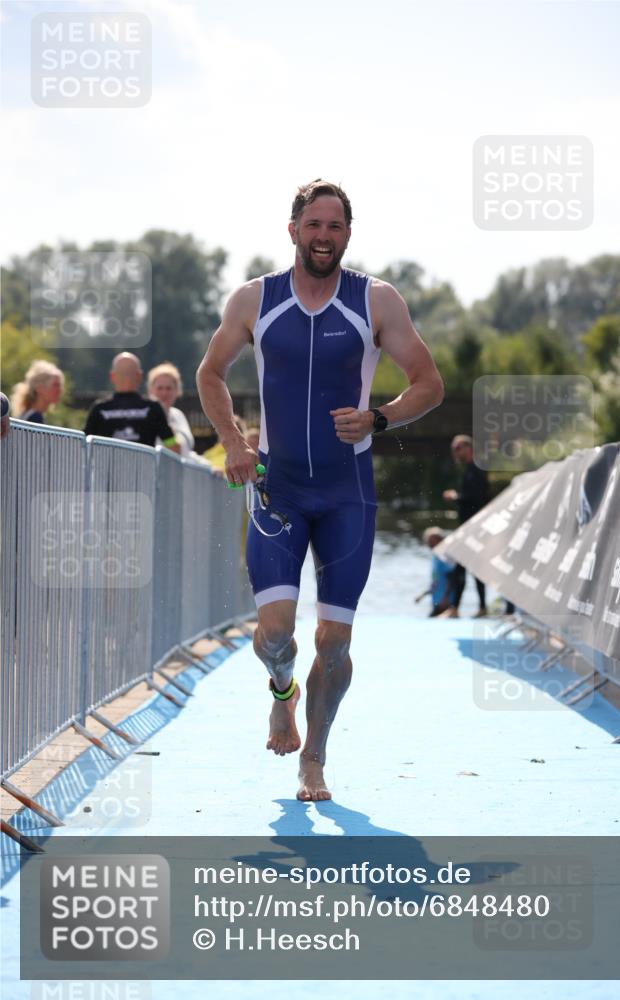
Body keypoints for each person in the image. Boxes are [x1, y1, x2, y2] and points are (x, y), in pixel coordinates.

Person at [196, 178, 444, 801]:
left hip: (346, 493)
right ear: (293, 231)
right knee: (275, 634)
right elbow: (210, 373)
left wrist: (379, 417)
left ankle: (315, 758)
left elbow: (428, 384)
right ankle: (283, 692)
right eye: (314, 225)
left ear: (348, 235)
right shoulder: (256, 300)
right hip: (278, 487)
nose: (324, 236)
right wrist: (232, 442)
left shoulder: (377, 300)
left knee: (334, 641)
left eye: (335, 226)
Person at [84, 352, 180, 452]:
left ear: (112, 377)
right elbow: (172, 446)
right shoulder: (152, 408)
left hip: (106, 467)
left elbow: (83, 445)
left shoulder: (100, 409)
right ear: (139, 377)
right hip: (144, 467)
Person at [442, 434, 488, 617]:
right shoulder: (470, 470)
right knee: (466, 567)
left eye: (458, 448)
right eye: (454, 449)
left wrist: (455, 497)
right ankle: (471, 607)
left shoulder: (476, 470)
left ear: (469, 449)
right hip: (468, 528)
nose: (455, 452)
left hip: (474, 529)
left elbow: (477, 499)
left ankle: (457, 608)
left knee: (466, 567)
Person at [147, 362, 201, 459]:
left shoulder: (178, 415)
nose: (164, 393)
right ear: (151, 390)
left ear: (177, 390)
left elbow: (187, 454)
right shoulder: (144, 416)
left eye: (169, 388)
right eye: (160, 388)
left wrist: (209, 466)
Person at [415, 526, 457, 617]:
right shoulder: (435, 556)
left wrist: (445, 598)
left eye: (431, 541)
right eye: (428, 541)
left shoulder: (444, 556)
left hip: (445, 602)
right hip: (437, 601)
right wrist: (423, 595)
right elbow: (435, 582)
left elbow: (452, 577)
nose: (428, 543)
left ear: (439, 540)